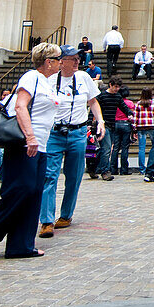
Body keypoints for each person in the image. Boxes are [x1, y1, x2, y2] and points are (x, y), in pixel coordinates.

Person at [0, 42, 62, 259]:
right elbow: (20, 106)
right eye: (58, 59)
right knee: (20, 189)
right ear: (48, 62)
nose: (62, 62)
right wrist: (30, 136)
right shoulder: (31, 77)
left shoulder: (47, 83)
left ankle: (21, 245)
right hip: (25, 143)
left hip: (41, 145)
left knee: (34, 193)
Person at [39, 45, 107, 238]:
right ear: (61, 61)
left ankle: (66, 215)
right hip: (54, 133)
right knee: (49, 176)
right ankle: (46, 220)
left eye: (78, 58)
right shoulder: (50, 80)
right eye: (73, 58)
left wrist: (100, 121)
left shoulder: (84, 78)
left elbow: (93, 101)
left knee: (74, 176)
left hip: (77, 132)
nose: (77, 61)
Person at [95, 78, 131, 180]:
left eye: (118, 87)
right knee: (106, 149)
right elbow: (94, 109)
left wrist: (129, 113)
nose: (117, 89)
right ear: (110, 85)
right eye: (115, 86)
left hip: (112, 125)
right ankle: (105, 171)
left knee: (104, 149)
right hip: (103, 125)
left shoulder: (117, 96)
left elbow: (123, 107)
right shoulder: (102, 96)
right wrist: (91, 123)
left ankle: (94, 167)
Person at [109, 89, 135, 177]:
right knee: (125, 147)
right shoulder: (130, 103)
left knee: (115, 147)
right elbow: (132, 114)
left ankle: (113, 168)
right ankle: (124, 169)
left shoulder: (116, 102)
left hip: (116, 124)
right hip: (126, 124)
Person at [132, 88, 154, 173]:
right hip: (152, 126)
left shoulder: (138, 104)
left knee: (141, 148)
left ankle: (142, 168)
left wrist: (134, 128)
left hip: (141, 126)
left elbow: (135, 117)